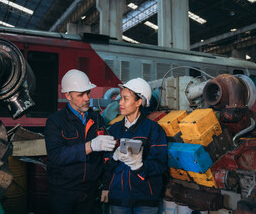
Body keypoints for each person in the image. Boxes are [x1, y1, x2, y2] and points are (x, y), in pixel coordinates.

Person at [44, 69, 116, 214]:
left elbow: (106, 156)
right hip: (63, 193)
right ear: (67, 95)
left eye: (88, 93)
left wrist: (106, 186)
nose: (87, 98)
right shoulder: (55, 121)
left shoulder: (96, 119)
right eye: (80, 95)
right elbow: (56, 156)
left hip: (90, 193)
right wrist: (89, 146)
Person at [101, 77, 168, 214]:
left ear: (138, 102)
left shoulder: (153, 130)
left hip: (145, 200)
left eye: (125, 99)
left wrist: (140, 166)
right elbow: (105, 163)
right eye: (120, 98)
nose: (120, 103)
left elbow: (160, 164)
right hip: (118, 198)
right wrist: (106, 185)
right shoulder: (113, 130)